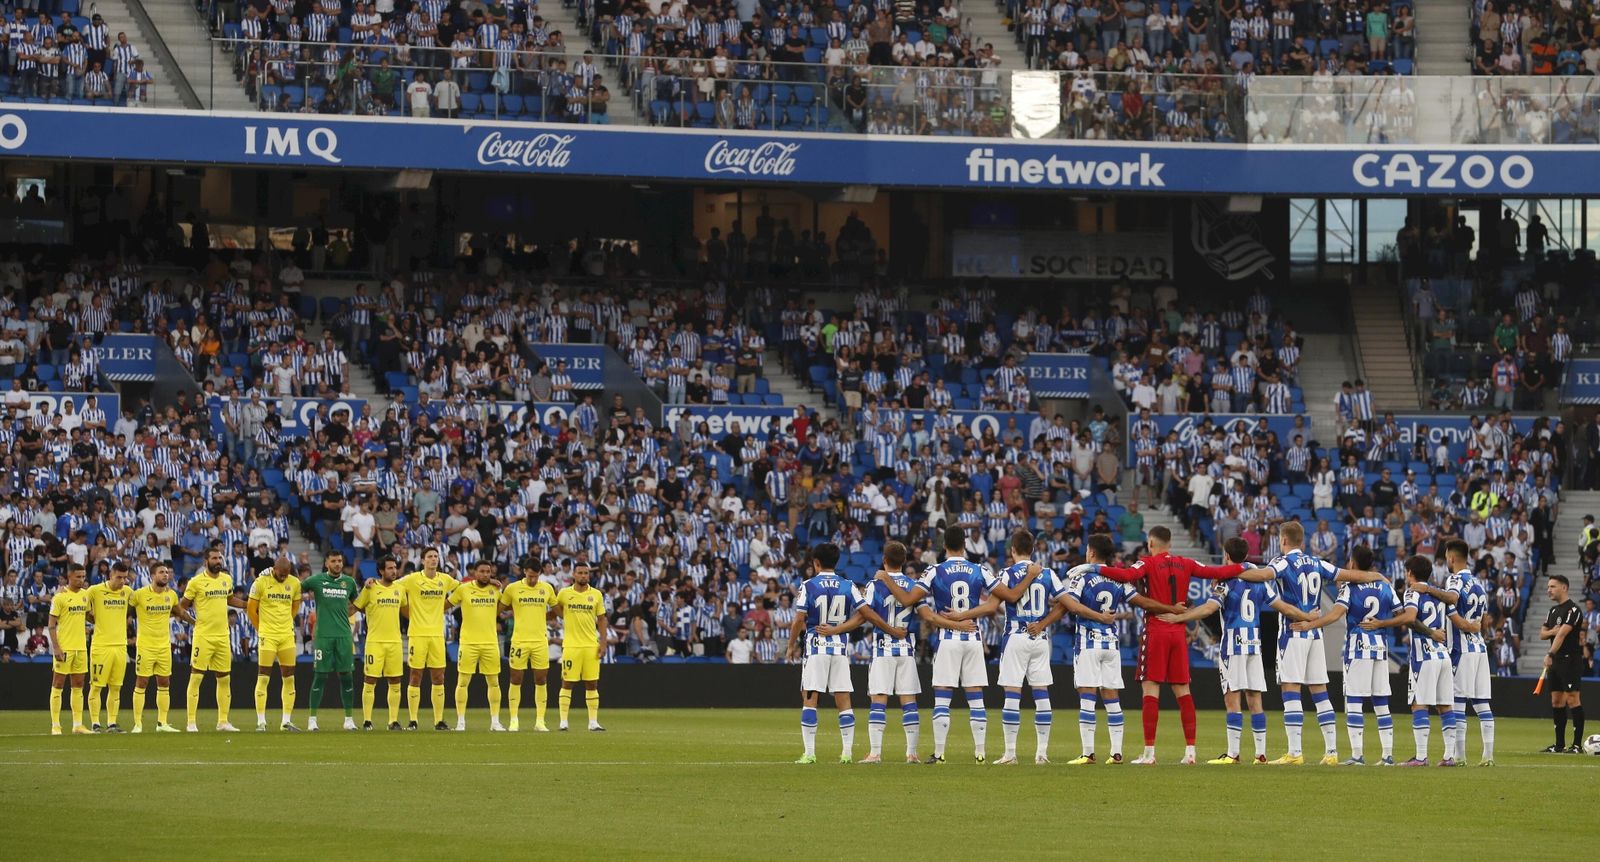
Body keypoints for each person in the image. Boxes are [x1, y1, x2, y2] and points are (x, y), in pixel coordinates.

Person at [874, 526, 1036, 763]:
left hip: (948, 639)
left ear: (944, 546)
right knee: (976, 697)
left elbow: (907, 599)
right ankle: (980, 753)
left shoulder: (934, 571)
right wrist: (1030, 575)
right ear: (965, 545)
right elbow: (1004, 601)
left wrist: (887, 579)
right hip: (972, 639)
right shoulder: (979, 570)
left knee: (942, 698)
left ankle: (939, 754)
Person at [1093, 525, 1252, 764]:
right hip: (1178, 631)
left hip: (1156, 629)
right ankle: (1190, 752)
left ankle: (1149, 753)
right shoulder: (1187, 563)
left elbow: (1125, 576)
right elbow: (1214, 571)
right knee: (1184, 692)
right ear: (1170, 543)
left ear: (1151, 543)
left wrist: (1093, 567)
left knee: (1150, 689)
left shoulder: (1146, 563)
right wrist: (1245, 566)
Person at [1161, 537, 1314, 764]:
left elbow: (1208, 609)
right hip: (1255, 646)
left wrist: (1180, 617)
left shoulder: (1227, 581)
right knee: (1255, 699)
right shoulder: (1259, 581)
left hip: (1233, 645)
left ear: (1227, 556)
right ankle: (1260, 754)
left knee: (1232, 699)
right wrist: (1307, 616)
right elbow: (1284, 607)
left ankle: (1233, 754)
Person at [1042, 534, 1182, 764]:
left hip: (1089, 643)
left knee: (1087, 696)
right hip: (1111, 645)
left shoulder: (1084, 575)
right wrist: (1171, 608)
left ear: (1091, 553)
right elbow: (1143, 602)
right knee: (1112, 696)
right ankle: (1116, 753)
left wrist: (1047, 622)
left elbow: (1071, 606)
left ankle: (1088, 753)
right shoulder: (1118, 578)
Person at [1236, 521, 1355, 765]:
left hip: (1292, 632)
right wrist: (1376, 577)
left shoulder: (1282, 562)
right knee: (1320, 692)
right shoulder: (1316, 562)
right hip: (1314, 635)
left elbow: (1262, 575)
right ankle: (1331, 753)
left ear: (1283, 540)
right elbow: (1346, 574)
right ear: (1302, 540)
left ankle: (1295, 752)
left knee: (1290, 690)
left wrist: (1229, 571)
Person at [946, 530, 1055, 765]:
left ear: (1012, 550)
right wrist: (1044, 622)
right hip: (1040, 638)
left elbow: (990, 607)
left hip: (1016, 636)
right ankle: (1042, 754)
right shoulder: (1047, 573)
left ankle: (1010, 753)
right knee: (1042, 693)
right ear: (1033, 549)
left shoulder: (1006, 574)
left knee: (1012, 693)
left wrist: (961, 615)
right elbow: (1068, 604)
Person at [1286, 544, 1399, 765]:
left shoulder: (1350, 587)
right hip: (1381, 647)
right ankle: (1387, 755)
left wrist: (1311, 624)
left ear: (1353, 564)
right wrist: (1384, 624)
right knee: (1381, 701)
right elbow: (1402, 614)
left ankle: (1357, 754)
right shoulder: (1387, 586)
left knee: (1355, 700)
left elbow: (1336, 614)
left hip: (1358, 647)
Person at [814, 540, 922, 763]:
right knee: (908, 700)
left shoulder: (875, 585)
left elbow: (864, 615)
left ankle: (875, 753)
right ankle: (911, 753)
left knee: (878, 699)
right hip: (906, 649)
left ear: (884, 560)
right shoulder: (913, 585)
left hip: (883, 649)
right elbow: (924, 613)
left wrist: (836, 629)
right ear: (904, 561)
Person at [1413, 539, 1493, 765]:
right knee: (1481, 702)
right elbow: (1484, 619)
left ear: (1451, 557)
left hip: (1462, 649)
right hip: (1480, 648)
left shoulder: (1455, 579)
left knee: (1457, 700)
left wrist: (1428, 588)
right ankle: (1488, 757)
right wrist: (1476, 630)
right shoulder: (1478, 583)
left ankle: (1459, 756)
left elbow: (1453, 599)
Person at [1370, 556, 1455, 766]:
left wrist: (1382, 622)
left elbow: (1409, 618)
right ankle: (1449, 756)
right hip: (1443, 655)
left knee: (1419, 705)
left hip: (1424, 654)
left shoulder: (1412, 592)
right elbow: (1452, 599)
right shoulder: (1437, 593)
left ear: (1409, 572)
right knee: (1445, 706)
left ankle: (1420, 757)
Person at [789, 543, 860, 763]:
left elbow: (799, 619)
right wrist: (839, 629)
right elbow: (862, 615)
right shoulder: (848, 585)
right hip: (839, 650)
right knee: (843, 699)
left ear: (816, 562)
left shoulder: (808, 585)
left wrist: (791, 645)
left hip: (816, 648)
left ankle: (810, 753)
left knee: (810, 697)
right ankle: (847, 753)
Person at [180, 549, 245, 732]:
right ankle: (191, 722)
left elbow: (230, 599)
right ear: (205, 560)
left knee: (224, 679)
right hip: (203, 637)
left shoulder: (226, 579)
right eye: (214, 558)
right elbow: (181, 606)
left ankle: (223, 721)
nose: (218, 561)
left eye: (219, 558)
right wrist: (192, 622)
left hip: (223, 636)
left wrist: (248, 605)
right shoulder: (196, 582)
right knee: (196, 677)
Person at [301, 551, 361, 731]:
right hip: (323, 636)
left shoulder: (349, 582)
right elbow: (295, 587)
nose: (337, 564)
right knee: (320, 676)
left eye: (340, 561)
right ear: (326, 562)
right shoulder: (316, 580)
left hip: (344, 635)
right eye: (333, 561)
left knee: (347, 677)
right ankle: (312, 720)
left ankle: (349, 719)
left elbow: (356, 604)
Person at [400, 548, 458, 730]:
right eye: (430, 557)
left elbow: (464, 589)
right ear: (423, 560)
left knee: (439, 677)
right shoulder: (412, 579)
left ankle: (439, 720)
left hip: (437, 635)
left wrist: (449, 603)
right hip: (417, 634)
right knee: (415, 676)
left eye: (436, 556)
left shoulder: (445, 580)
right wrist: (372, 582)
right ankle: (413, 720)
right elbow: (391, 586)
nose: (433, 559)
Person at [500, 557, 557, 732]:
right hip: (519, 641)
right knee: (516, 679)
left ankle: (540, 721)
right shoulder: (512, 588)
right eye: (530, 576)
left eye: (536, 576)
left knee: (541, 679)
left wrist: (542, 617)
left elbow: (555, 612)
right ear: (524, 572)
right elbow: (499, 609)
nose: (533, 580)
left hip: (540, 641)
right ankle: (514, 720)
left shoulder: (547, 588)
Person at [247, 558, 302, 732]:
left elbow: (295, 606)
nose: (284, 577)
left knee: (289, 678)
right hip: (267, 636)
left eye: (286, 574)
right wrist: (261, 629)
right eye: (281, 574)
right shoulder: (261, 582)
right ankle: (261, 722)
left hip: (286, 636)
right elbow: (251, 609)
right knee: (263, 677)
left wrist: (286, 623)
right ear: (274, 569)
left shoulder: (294, 583)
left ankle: (286, 721)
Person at [449, 560, 505, 732]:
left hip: (490, 643)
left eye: (488, 571)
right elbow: (446, 605)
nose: (486, 574)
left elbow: (505, 605)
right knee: (463, 682)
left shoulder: (495, 590)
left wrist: (500, 586)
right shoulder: (463, 589)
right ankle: (460, 722)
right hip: (468, 643)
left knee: (494, 683)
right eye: (482, 571)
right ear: (475, 573)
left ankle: (495, 721)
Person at [555, 563, 608, 732]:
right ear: (574, 575)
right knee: (567, 682)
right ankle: (563, 721)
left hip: (591, 645)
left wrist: (603, 642)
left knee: (592, 683)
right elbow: (555, 609)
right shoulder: (564, 594)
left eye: (586, 573)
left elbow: (601, 619)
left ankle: (593, 722)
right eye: (580, 573)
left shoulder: (596, 594)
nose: (583, 576)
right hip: (571, 645)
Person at [354, 557, 405, 730]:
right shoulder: (371, 587)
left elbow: (405, 609)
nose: (393, 571)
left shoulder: (400, 589)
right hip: (375, 641)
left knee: (395, 680)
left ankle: (393, 720)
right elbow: (358, 605)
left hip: (395, 642)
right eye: (390, 568)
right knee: (370, 680)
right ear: (381, 571)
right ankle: (367, 720)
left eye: (395, 567)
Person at [128, 562, 180, 733]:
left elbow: (179, 611)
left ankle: (162, 723)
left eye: (167, 572)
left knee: (165, 683)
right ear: (152, 575)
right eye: (161, 572)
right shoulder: (139, 595)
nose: (166, 575)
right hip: (145, 647)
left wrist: (195, 622)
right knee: (142, 682)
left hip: (164, 646)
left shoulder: (171, 595)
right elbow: (125, 607)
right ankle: (137, 724)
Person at [84, 562, 133, 732]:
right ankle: (95, 723)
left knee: (116, 686)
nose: (122, 581)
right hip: (101, 646)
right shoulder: (95, 591)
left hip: (120, 646)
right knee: (96, 686)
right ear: (110, 575)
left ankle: (112, 723)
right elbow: (81, 607)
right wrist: (94, 621)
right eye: (119, 577)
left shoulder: (127, 592)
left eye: (125, 578)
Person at [1539, 574, 1585, 753]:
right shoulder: (1552, 611)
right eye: (1548, 586)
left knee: (1573, 699)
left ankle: (1576, 745)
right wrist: (1552, 631)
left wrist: (1550, 652)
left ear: (1564, 587)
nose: (1548, 590)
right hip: (1556, 662)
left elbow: (1562, 634)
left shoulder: (1573, 610)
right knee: (1556, 701)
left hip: (1570, 661)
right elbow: (1543, 634)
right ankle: (1559, 745)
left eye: (1552, 586)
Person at [48, 563, 91, 735]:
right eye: (78, 577)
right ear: (69, 577)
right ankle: (56, 725)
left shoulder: (85, 596)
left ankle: (77, 725)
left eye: (83, 576)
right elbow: (51, 625)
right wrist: (56, 647)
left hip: (81, 647)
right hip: (64, 647)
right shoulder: (59, 597)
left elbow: (88, 616)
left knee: (78, 685)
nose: (81, 580)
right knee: (58, 684)